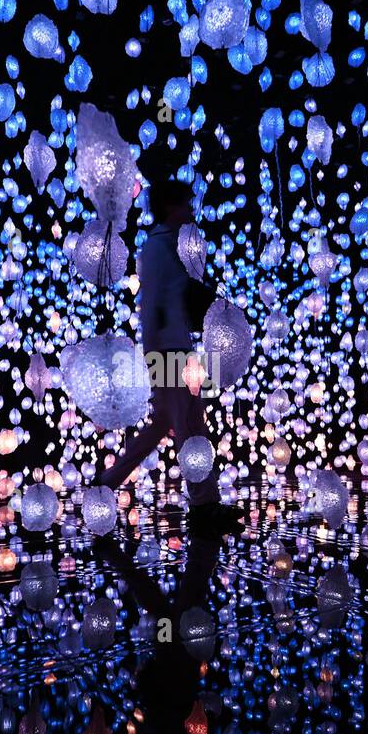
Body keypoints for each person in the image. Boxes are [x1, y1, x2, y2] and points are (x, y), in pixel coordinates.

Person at [98, 178, 244, 534]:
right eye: (185, 203)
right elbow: (151, 306)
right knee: (190, 425)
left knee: (169, 422)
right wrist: (154, 354)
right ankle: (203, 505)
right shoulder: (158, 248)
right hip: (168, 351)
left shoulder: (172, 246)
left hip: (176, 347)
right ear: (169, 207)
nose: (190, 210)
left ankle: (106, 482)